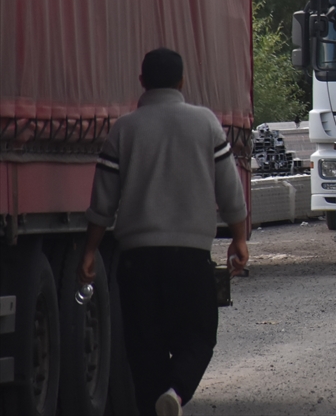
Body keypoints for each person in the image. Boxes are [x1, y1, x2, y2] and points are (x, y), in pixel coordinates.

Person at [78, 48, 249, 416]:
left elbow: (103, 201)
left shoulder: (125, 129)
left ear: (142, 82)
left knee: (144, 347)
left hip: (138, 260)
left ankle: (154, 402)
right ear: (182, 81)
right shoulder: (205, 124)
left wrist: (90, 250)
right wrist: (239, 237)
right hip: (190, 258)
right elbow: (229, 191)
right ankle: (176, 390)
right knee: (199, 337)